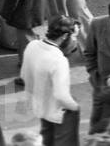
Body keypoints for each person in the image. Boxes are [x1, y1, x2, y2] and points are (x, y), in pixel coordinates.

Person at [20, 16, 80, 146]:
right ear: (65, 36)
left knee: (47, 140)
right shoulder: (59, 60)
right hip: (59, 111)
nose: (75, 41)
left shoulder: (32, 45)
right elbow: (61, 95)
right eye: (75, 36)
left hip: (39, 105)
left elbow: (24, 75)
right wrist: (75, 107)